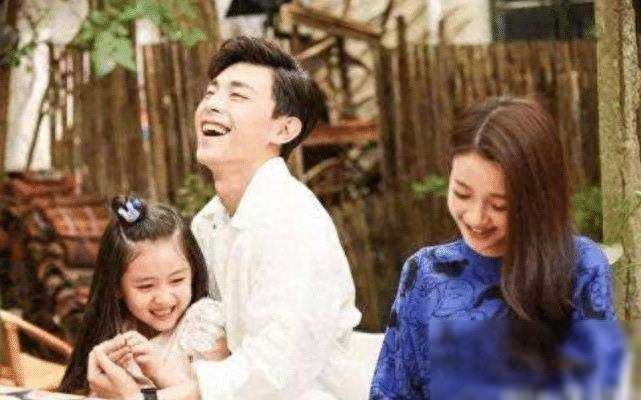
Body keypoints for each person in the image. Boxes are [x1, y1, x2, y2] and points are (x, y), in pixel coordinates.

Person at [88, 36, 362, 400]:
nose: (212, 105)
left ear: (283, 129)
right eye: (211, 92)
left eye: (237, 95)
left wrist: (148, 399)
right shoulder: (209, 221)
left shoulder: (294, 225)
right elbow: (198, 338)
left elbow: (273, 374)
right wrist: (122, 360)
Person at [369, 97, 628, 399]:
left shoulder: (581, 267)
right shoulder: (425, 273)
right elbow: (391, 391)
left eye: (499, 205)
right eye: (462, 194)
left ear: (537, 201)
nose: (476, 217)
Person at [59, 196, 228, 395]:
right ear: (116, 286)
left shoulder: (203, 325)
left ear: (193, 272)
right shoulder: (115, 329)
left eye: (177, 280)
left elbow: (213, 394)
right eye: (146, 286)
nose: (164, 298)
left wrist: (156, 372)